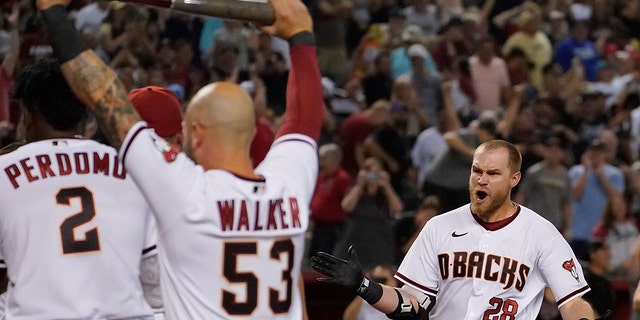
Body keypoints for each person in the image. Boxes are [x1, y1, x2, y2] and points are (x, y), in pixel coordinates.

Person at [37, 0, 322, 318]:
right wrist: (300, 36)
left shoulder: (187, 194)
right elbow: (304, 120)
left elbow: (104, 95)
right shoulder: (290, 186)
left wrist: (55, 15)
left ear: (197, 133)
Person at [312, 140, 596, 319]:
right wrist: (364, 286)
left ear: (514, 179)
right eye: (476, 171)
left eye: (493, 173)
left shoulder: (541, 233)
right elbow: (411, 304)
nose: (481, 180)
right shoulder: (439, 227)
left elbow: (573, 302)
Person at [0, 58, 158, 319]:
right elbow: (154, 275)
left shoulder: (5, 169)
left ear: (27, 116)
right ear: (87, 116)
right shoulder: (131, 166)